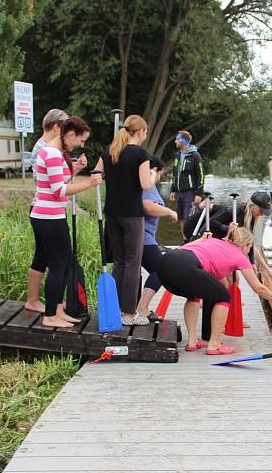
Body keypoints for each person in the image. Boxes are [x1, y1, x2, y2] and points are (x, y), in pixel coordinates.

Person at [156, 228, 272, 355]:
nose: (249, 251)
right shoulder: (240, 256)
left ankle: (192, 340)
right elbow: (258, 287)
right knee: (224, 296)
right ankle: (214, 344)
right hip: (186, 266)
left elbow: (186, 250)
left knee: (194, 295)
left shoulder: (214, 241)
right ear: (246, 245)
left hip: (164, 265)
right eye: (250, 247)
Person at [29, 117, 101, 328]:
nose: (81, 145)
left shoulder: (54, 152)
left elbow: (59, 180)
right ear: (70, 134)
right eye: (81, 140)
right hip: (49, 217)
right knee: (59, 265)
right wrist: (88, 182)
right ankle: (50, 315)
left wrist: (75, 169)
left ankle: (57, 309)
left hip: (49, 215)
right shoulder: (51, 153)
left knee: (64, 263)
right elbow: (58, 190)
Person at [93, 114, 156, 326]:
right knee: (132, 262)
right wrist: (154, 174)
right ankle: (129, 313)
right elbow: (146, 184)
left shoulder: (109, 150)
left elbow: (96, 173)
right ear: (141, 132)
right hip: (131, 215)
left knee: (119, 261)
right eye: (145, 132)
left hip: (111, 213)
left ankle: (117, 308)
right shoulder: (140, 154)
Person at [25, 108, 70, 313]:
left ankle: (35, 300)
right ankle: (38, 302)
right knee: (50, 259)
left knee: (42, 256)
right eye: (66, 128)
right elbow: (51, 185)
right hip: (46, 210)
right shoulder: (45, 149)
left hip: (44, 208)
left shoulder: (45, 147)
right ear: (56, 127)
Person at [134, 154, 177, 319]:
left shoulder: (134, 181)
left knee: (133, 272)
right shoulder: (148, 185)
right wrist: (170, 212)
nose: (159, 177)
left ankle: (132, 306)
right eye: (160, 173)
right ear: (154, 170)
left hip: (137, 236)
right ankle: (142, 308)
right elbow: (148, 207)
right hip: (143, 238)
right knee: (161, 269)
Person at [169, 130, 204, 240]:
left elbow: (201, 175)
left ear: (183, 141)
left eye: (177, 139)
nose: (175, 141)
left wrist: (199, 193)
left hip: (190, 191)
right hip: (179, 191)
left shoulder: (195, 156)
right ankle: (185, 240)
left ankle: (192, 240)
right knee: (181, 217)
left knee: (190, 217)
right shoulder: (177, 155)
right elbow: (175, 173)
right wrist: (173, 189)